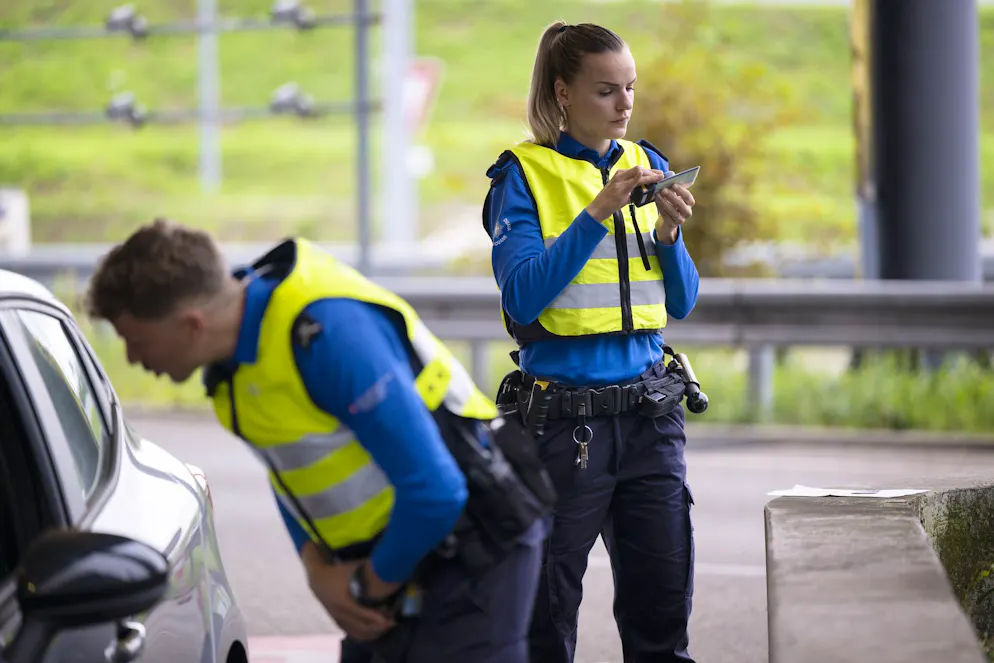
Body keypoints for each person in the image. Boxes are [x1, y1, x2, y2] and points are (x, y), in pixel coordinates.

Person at [83, 219, 554, 663]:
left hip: (473, 544)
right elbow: (289, 465)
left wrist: (364, 588)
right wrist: (316, 569)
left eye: (136, 340)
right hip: (393, 558)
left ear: (190, 324)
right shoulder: (232, 361)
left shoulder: (328, 335)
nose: (131, 357)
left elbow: (436, 490)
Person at [481, 21, 701, 663]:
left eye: (630, 88)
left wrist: (669, 235)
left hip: (651, 422)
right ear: (563, 93)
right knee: (545, 628)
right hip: (562, 431)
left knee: (662, 620)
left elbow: (681, 302)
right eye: (606, 91)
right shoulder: (521, 177)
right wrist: (596, 213)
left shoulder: (648, 164)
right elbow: (522, 296)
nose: (625, 104)